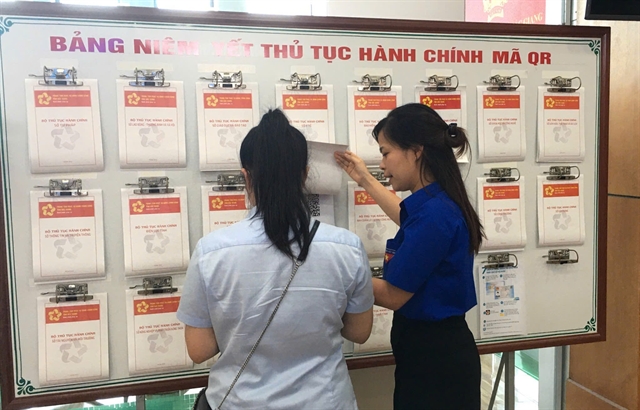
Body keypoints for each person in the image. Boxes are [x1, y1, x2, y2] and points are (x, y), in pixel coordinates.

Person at [177, 109, 374, 410]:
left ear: (246, 176)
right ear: (305, 175)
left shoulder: (211, 251)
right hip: (326, 401)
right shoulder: (347, 247)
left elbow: (199, 349)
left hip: (240, 403)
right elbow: (358, 332)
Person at [334, 103, 484, 409]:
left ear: (415, 151)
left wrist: (329, 272)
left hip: (436, 364)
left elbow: (393, 295)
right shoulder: (435, 203)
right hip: (432, 353)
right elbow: (406, 218)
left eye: (386, 152)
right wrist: (364, 179)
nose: (382, 163)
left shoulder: (435, 215)